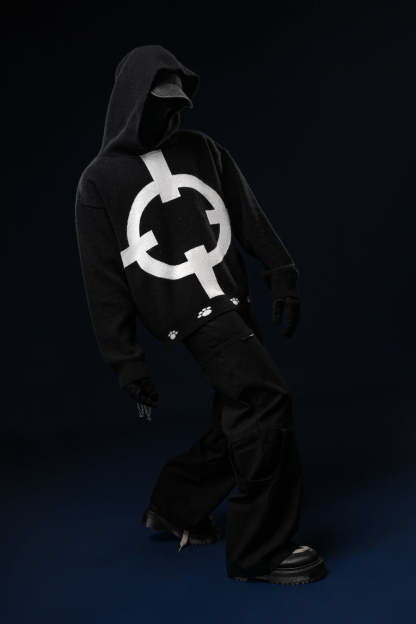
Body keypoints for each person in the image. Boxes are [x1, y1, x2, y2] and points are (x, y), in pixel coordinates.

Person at [75, 44, 327, 585]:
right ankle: (260, 551)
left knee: (235, 413)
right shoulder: (99, 182)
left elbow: (247, 214)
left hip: (234, 300)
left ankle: (176, 505)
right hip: (192, 315)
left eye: (176, 107)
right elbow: (104, 282)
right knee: (263, 402)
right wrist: (126, 361)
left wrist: (281, 271)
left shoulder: (203, 149)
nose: (170, 116)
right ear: (131, 103)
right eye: (158, 106)